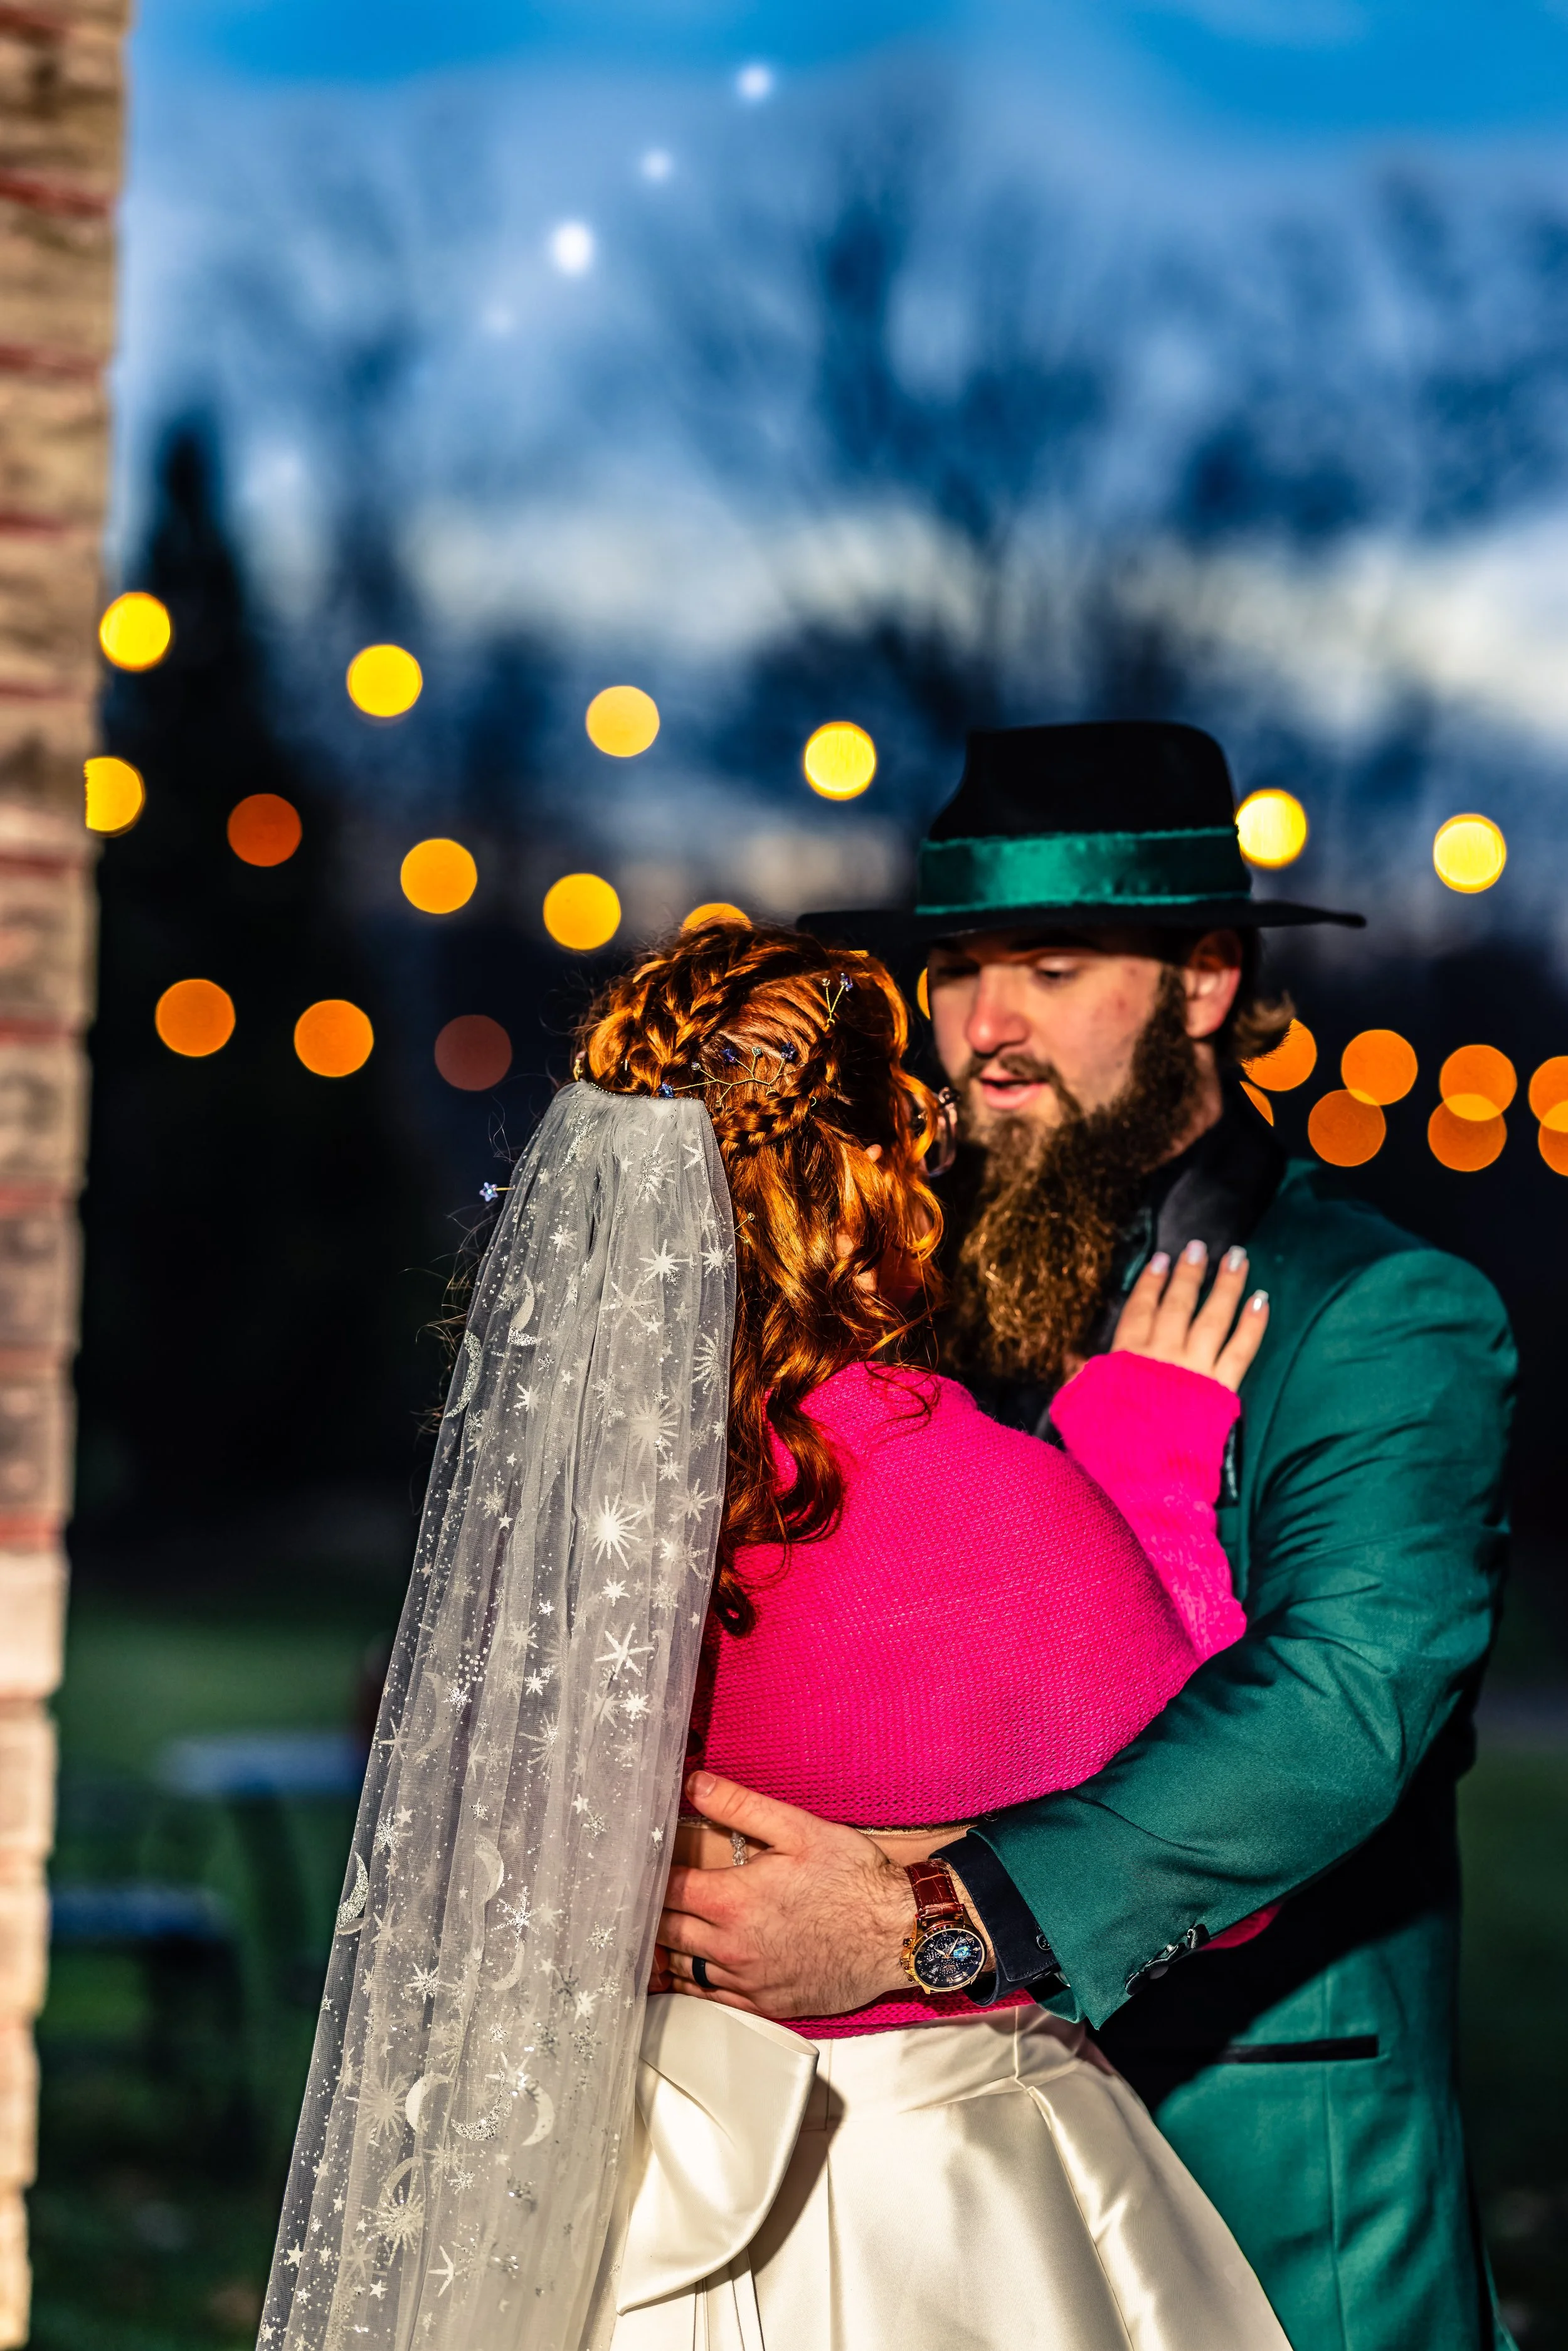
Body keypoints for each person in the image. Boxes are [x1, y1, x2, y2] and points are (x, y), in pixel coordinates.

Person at [260, 916, 1289, 2351]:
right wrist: (1153, 1468)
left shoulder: (566, 1523)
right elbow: (1227, 1878)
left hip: (591, 2198)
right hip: (926, 2206)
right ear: (878, 1168)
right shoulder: (994, 1508)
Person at [660, 720, 1517, 2351]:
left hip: (1259, 2183)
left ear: (1204, 982)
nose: (981, 1029)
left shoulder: (1383, 1313)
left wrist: (931, 1913)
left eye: (1049, 968)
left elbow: (1337, 1704)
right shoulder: (881, 1293)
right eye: (959, 970)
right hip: (893, 2206)